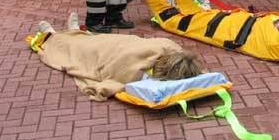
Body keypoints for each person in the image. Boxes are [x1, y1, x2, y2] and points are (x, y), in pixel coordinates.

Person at [33, 13, 203, 101]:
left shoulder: (138, 74)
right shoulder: (171, 49)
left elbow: (116, 79)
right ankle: (75, 32)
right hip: (121, 44)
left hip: (109, 55)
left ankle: (52, 36)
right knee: (95, 41)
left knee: (79, 49)